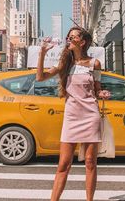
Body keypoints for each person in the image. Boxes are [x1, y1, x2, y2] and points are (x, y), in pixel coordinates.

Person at [36, 26, 110, 201]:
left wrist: (102, 93)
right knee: (63, 164)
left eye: (72, 37)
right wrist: (42, 54)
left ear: (82, 42)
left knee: (91, 162)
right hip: (71, 116)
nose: (68, 39)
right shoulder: (65, 64)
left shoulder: (95, 64)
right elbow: (40, 77)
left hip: (90, 115)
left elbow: (97, 89)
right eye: (68, 37)